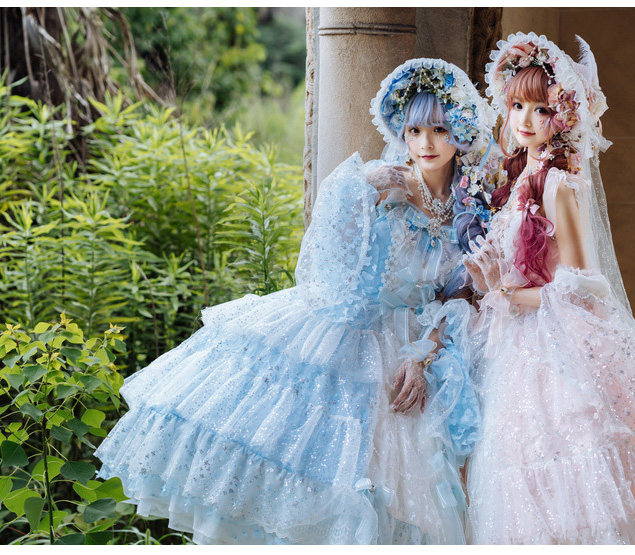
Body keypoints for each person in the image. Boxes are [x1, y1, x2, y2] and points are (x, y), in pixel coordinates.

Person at [93, 58, 494, 544]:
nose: (425, 143)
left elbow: (464, 295)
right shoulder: (383, 182)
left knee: (399, 491)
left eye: (438, 129)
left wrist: (425, 352)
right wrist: (360, 190)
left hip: (413, 340)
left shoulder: (472, 207)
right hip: (352, 328)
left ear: (461, 133)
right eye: (413, 131)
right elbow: (327, 262)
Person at [462, 32, 635, 544]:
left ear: (562, 116)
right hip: (514, 343)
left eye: (540, 108)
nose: (524, 119)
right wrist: (490, 284)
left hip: (555, 345)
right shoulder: (519, 178)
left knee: (585, 472)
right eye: (517, 105)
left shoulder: (558, 184)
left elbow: (579, 287)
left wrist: (503, 295)